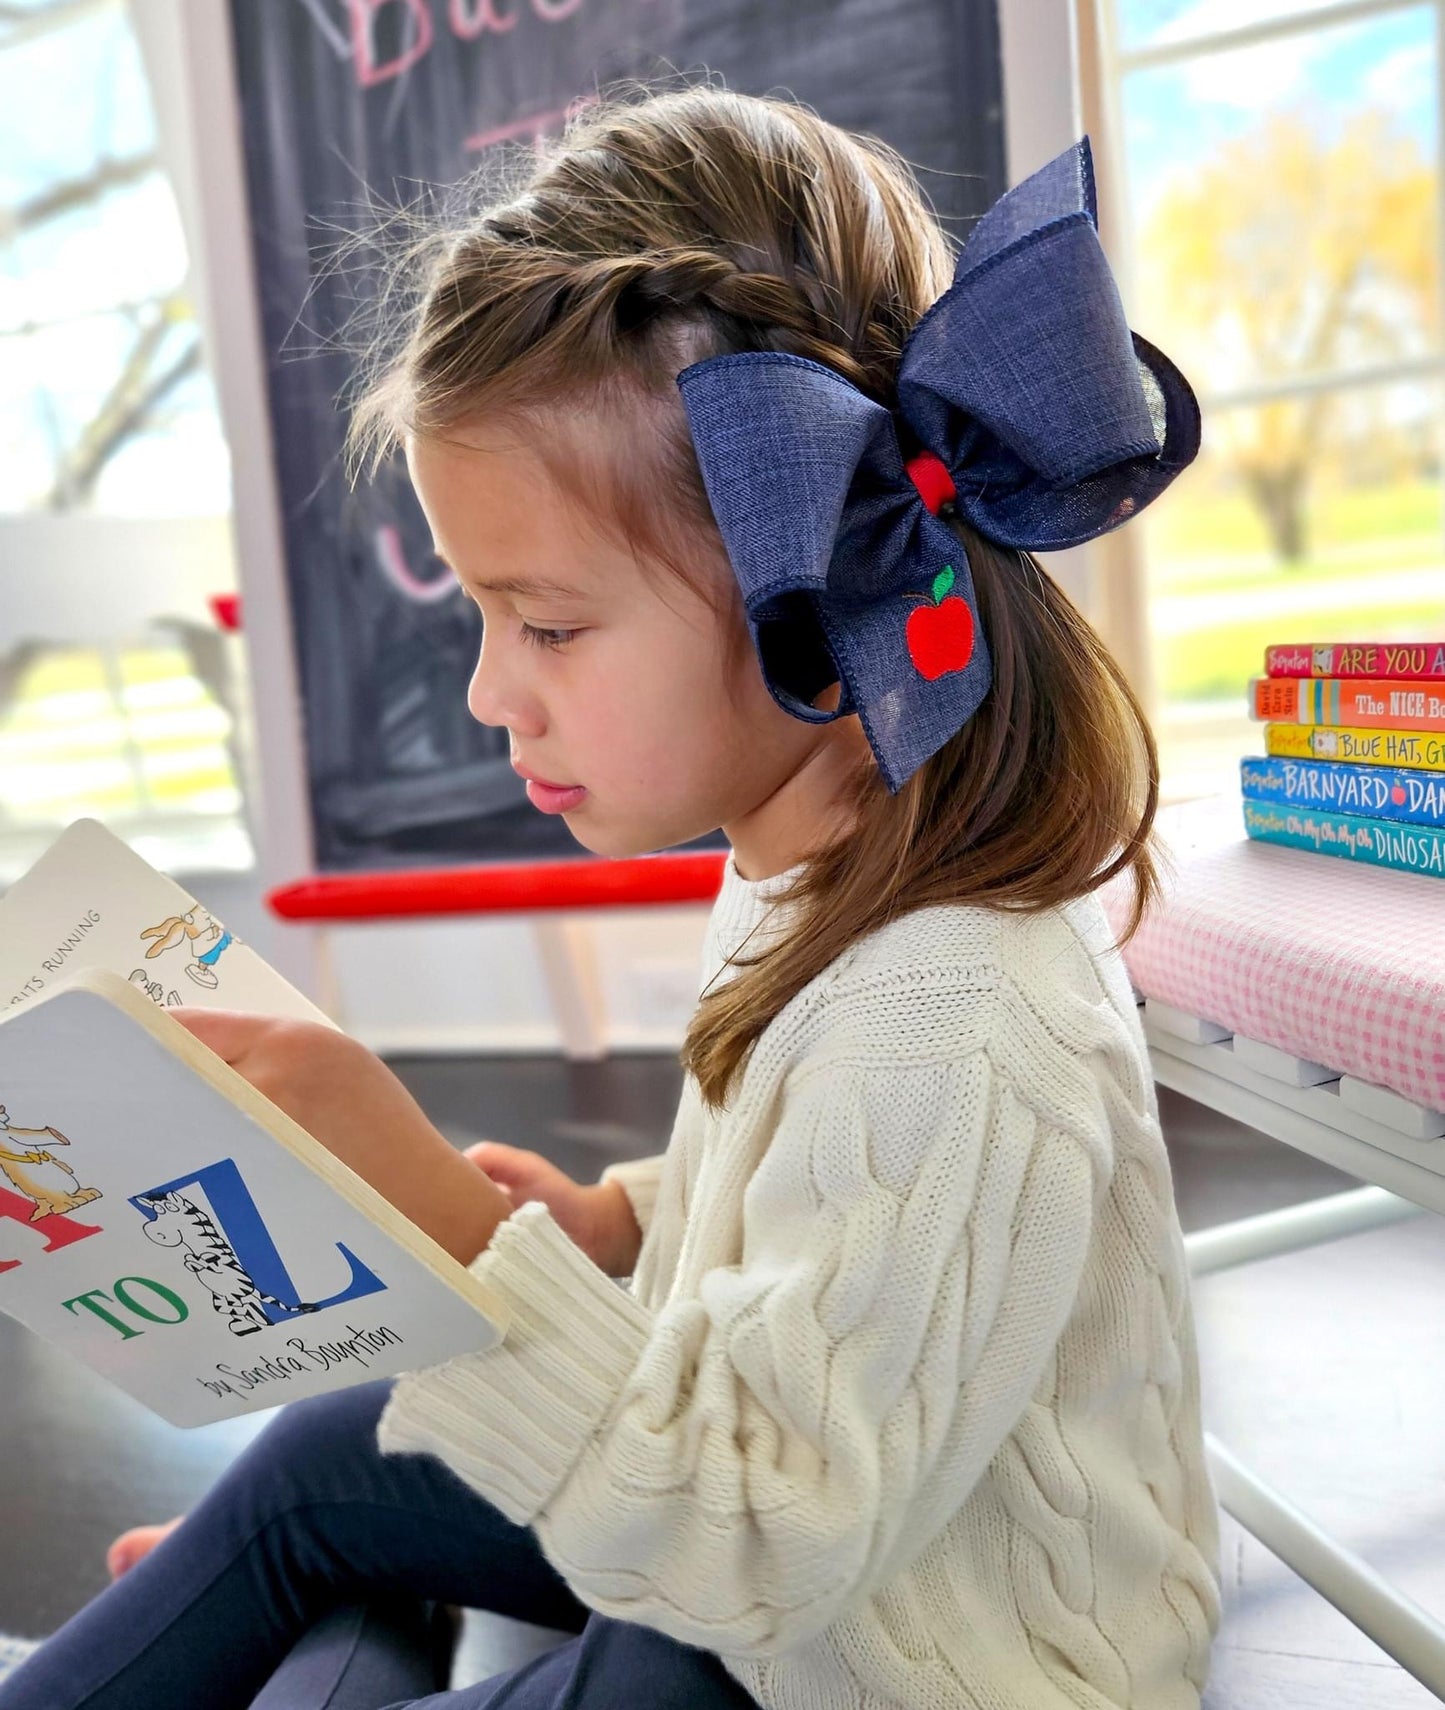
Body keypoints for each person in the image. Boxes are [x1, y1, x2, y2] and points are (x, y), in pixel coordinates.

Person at [0, 80, 1222, 1710]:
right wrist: (620, 1223)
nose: (493, 695)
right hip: (803, 1572)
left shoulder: (960, 1016)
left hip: (925, 1659)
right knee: (327, 1450)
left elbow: (758, 1536)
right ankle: (294, 1614)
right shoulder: (825, 856)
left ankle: (305, 1635)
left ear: (812, 592)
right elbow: (822, 1215)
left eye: (549, 627)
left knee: (453, 1592)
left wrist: (441, 1220)